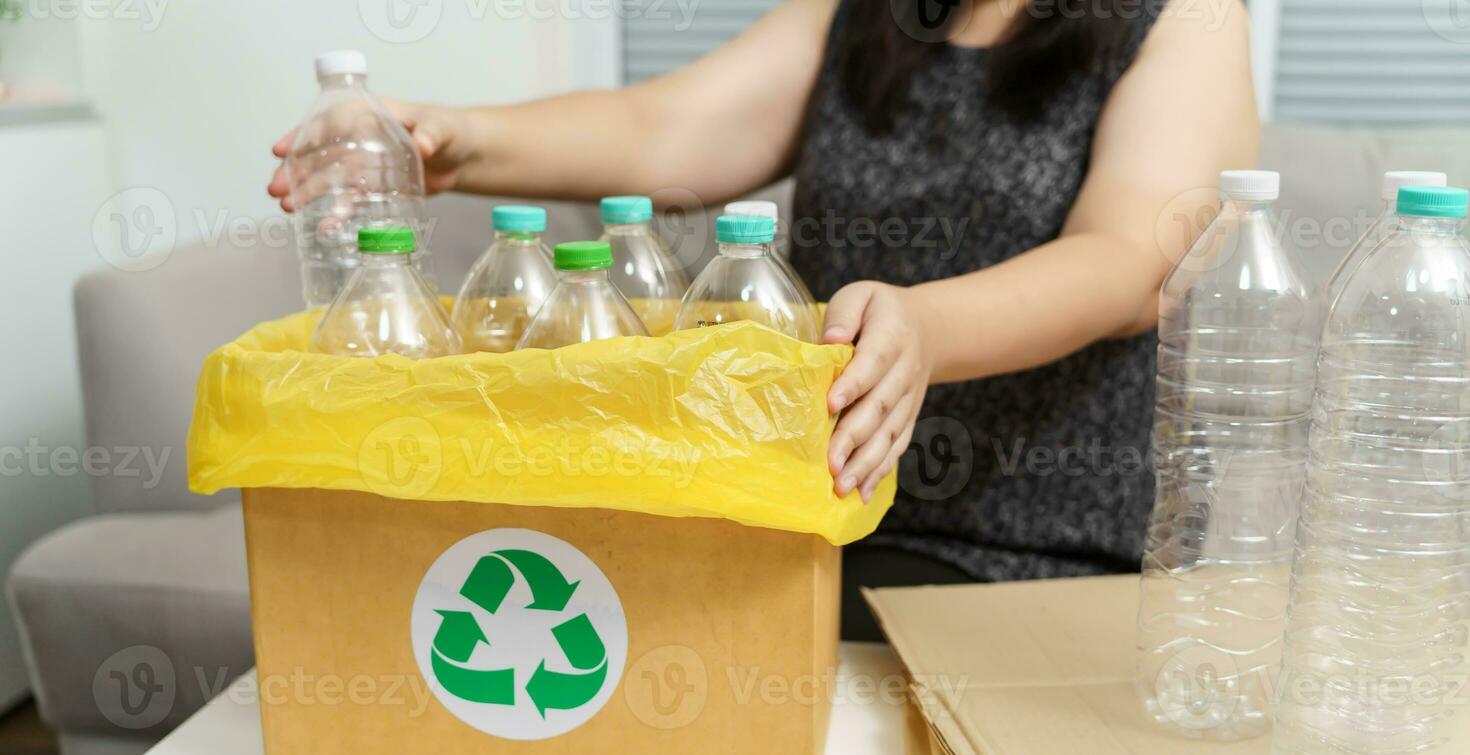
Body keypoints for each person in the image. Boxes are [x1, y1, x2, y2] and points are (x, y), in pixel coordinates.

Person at [269, 0, 1257, 638]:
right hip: (814, 504)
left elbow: (1134, 259)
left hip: (1041, 550)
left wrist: (924, 330)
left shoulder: (1185, 18)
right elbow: (669, 130)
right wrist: (460, 142)